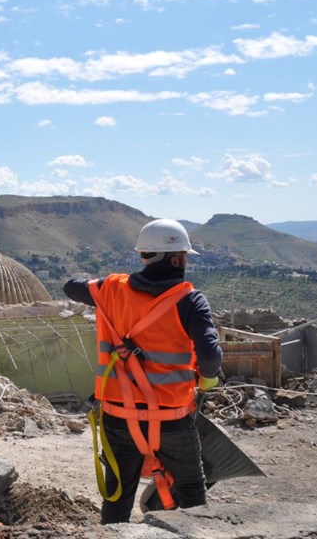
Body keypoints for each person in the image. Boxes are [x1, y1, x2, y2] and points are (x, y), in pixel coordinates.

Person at [63, 218, 222, 524]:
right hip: (172, 420)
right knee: (191, 491)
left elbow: (70, 286)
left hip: (118, 415)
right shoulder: (190, 299)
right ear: (175, 258)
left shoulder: (111, 289)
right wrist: (209, 378)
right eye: (185, 256)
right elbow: (210, 355)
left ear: (144, 256)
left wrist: (104, 279)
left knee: (118, 495)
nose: (186, 262)